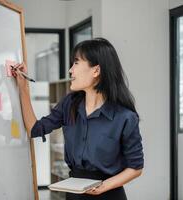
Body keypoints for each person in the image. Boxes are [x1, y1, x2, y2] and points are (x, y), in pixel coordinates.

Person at [12, 38, 144, 200]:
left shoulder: (125, 117)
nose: (70, 70)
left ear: (96, 71)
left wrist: (102, 187)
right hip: (74, 194)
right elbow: (35, 129)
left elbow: (136, 167)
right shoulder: (69, 104)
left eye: (76, 63)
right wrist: (23, 88)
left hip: (108, 194)